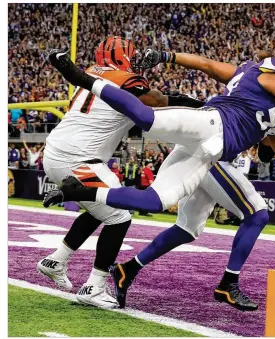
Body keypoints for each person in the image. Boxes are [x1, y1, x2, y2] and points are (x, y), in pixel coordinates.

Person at [45, 49, 275, 309]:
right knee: (146, 117)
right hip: (210, 125)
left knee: (158, 201)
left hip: (207, 155)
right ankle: (77, 75)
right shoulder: (268, 75)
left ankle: (79, 191)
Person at [37, 37, 204, 309]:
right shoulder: (126, 79)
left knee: (99, 207)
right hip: (79, 158)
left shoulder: (92, 72)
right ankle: (94, 285)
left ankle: (56, 259)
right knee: (119, 217)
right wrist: (196, 107)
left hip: (57, 152)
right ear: (124, 55)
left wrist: (188, 101)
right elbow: (156, 102)